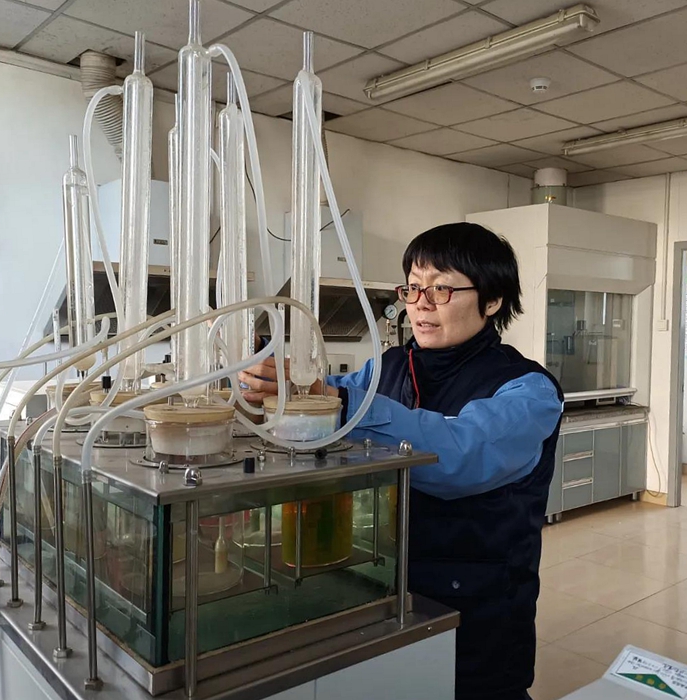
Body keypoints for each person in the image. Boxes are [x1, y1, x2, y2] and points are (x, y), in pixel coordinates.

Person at [240, 222, 564, 700]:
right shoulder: (387, 367)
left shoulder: (527, 388)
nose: (420, 304)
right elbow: (325, 407)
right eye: (412, 288)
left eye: (441, 288)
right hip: (383, 586)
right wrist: (267, 388)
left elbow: (461, 454)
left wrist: (335, 402)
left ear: (493, 300)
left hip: (477, 608)